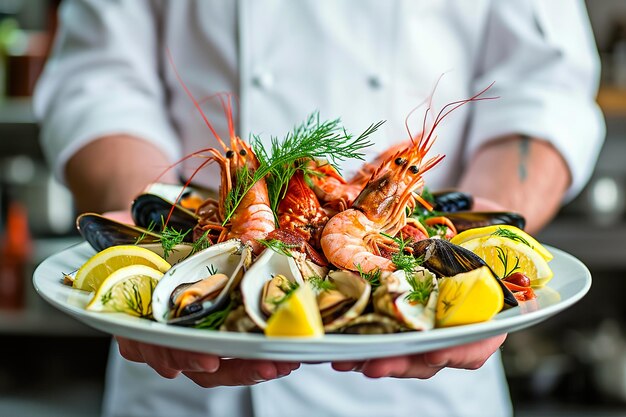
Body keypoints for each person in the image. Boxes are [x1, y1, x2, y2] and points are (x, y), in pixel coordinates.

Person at [34, 1, 604, 416]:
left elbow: (545, 87)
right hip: (183, 375)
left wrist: (484, 240)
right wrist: (148, 211)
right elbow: (99, 80)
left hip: (425, 396)